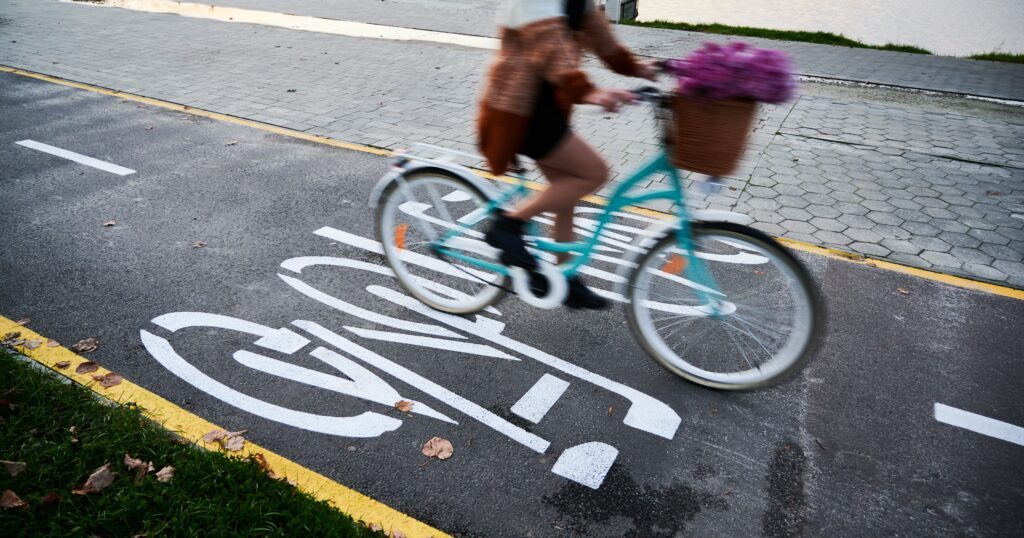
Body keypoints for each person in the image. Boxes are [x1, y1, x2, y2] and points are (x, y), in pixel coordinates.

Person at [478, 0, 655, 309]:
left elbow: (602, 40)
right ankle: (507, 224)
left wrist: (639, 67)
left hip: (549, 108)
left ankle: (564, 278)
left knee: (566, 194)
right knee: (593, 173)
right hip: (521, 112)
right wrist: (588, 92)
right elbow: (550, 46)